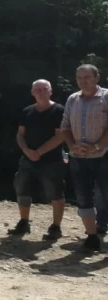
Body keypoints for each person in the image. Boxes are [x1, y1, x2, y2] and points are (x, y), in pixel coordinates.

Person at [9, 80, 66, 239]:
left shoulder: (59, 110)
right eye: (37, 89)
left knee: (55, 192)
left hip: (52, 159)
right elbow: (20, 134)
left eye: (44, 89)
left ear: (50, 91)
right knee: (22, 187)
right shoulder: (27, 111)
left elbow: (60, 136)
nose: (41, 92)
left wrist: (39, 152)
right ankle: (23, 222)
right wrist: (27, 151)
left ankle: (56, 227)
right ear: (32, 92)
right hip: (28, 158)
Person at [59, 64, 108, 249]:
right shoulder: (73, 99)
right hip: (78, 158)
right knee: (83, 198)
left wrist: (96, 146)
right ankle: (92, 237)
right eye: (79, 78)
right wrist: (72, 146)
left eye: (87, 77)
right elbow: (65, 127)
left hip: (104, 155)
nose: (83, 81)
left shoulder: (106, 97)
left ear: (97, 77)